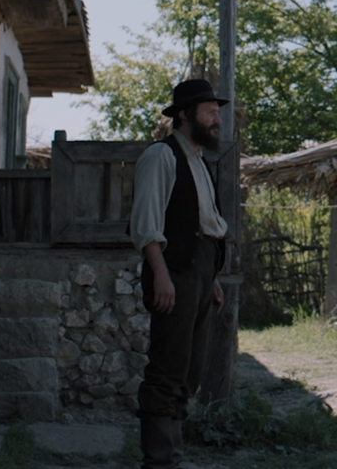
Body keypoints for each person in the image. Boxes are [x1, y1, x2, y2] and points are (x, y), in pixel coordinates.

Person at [131, 78, 230, 469]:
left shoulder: (198, 161)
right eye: (210, 112)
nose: (217, 119)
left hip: (201, 270)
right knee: (167, 368)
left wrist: (212, 278)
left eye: (217, 112)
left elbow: (202, 224)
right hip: (175, 271)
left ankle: (172, 454)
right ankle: (159, 461)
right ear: (186, 115)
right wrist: (161, 275)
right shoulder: (162, 156)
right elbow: (146, 225)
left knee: (189, 370)